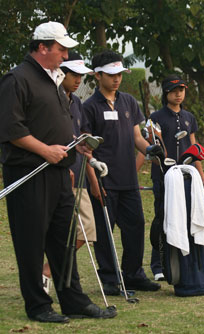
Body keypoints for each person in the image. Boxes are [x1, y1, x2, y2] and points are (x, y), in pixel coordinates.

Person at [0, 21, 116, 323]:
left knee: (63, 240)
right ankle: (38, 306)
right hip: (30, 173)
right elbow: (11, 129)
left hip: (59, 173)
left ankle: (73, 300)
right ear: (43, 47)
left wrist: (72, 149)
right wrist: (46, 151)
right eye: (61, 48)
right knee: (31, 241)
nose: (65, 55)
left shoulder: (54, 78)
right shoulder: (17, 79)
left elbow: (55, 124)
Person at [81, 50, 159, 295]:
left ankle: (133, 274)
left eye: (120, 74)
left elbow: (137, 137)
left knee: (135, 226)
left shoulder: (127, 102)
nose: (117, 79)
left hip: (128, 180)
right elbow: (85, 150)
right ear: (98, 75)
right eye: (112, 74)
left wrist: (154, 153)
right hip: (103, 181)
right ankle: (110, 279)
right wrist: (94, 183)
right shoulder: (89, 107)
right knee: (105, 232)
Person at [41, 51, 108, 293]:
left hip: (78, 175)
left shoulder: (77, 103)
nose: (78, 79)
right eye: (73, 74)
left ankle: (47, 271)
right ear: (62, 73)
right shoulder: (51, 98)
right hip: (56, 175)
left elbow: (82, 145)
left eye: (81, 75)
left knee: (87, 231)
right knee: (57, 231)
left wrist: (93, 180)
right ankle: (49, 277)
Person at [148, 74, 204, 280]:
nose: (178, 94)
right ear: (166, 93)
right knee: (163, 218)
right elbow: (152, 147)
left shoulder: (189, 117)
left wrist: (201, 178)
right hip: (164, 176)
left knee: (186, 219)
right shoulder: (156, 117)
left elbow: (194, 149)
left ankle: (182, 262)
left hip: (186, 176)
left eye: (181, 90)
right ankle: (159, 265)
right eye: (174, 91)